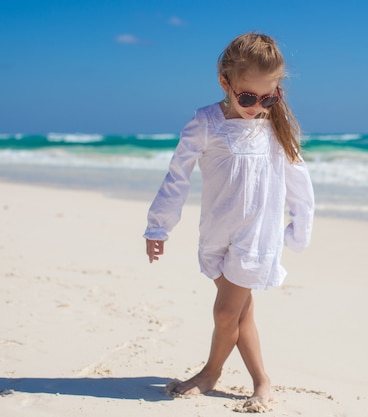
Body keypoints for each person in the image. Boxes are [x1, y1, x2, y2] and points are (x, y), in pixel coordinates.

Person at [143, 32, 314, 411]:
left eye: (269, 97)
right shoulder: (205, 122)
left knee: (225, 312)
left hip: (257, 237)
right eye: (249, 97)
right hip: (218, 234)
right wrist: (159, 225)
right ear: (225, 83)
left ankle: (210, 372)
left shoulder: (275, 125)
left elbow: (299, 179)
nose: (258, 106)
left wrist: (299, 229)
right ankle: (261, 381)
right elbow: (178, 175)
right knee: (240, 311)